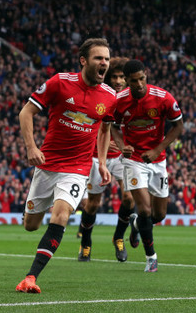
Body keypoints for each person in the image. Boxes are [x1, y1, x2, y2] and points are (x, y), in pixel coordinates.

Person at [15, 38, 117, 293]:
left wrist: (102, 162)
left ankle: (30, 278)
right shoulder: (59, 82)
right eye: (98, 58)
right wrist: (31, 147)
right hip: (47, 165)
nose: (104, 63)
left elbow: (105, 129)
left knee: (61, 215)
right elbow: (25, 112)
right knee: (31, 225)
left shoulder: (110, 96)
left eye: (106, 59)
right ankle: (32, 209)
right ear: (84, 61)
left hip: (77, 168)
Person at [112, 59, 183, 272]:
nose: (139, 84)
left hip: (157, 160)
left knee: (158, 215)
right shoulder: (119, 101)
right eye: (134, 81)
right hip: (133, 161)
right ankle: (151, 258)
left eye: (142, 79)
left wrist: (158, 149)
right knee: (144, 208)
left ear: (146, 75)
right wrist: (122, 144)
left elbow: (178, 126)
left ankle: (135, 226)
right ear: (127, 81)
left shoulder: (163, 98)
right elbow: (112, 127)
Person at [77, 57, 135, 263]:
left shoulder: (130, 99)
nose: (119, 81)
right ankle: (85, 242)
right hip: (96, 157)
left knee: (129, 198)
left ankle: (119, 237)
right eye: (115, 77)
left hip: (120, 157)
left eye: (122, 77)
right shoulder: (100, 96)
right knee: (93, 204)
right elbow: (87, 123)